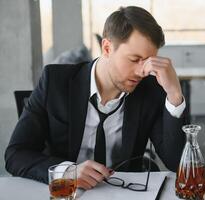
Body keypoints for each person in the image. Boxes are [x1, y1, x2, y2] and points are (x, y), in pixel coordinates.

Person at [5, 6, 186, 190]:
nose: (142, 71)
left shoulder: (151, 90)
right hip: (66, 192)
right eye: (134, 59)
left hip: (125, 193)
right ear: (107, 48)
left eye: (148, 62)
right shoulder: (55, 82)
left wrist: (174, 95)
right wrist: (68, 173)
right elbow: (15, 154)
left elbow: (177, 163)